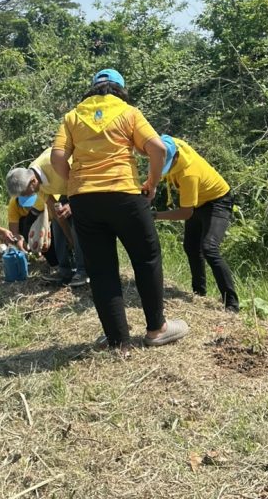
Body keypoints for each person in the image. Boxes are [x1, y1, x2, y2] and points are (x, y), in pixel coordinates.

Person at [51, 68, 189, 354]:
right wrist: (152, 183)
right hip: (125, 194)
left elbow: (57, 157)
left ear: (93, 89)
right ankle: (156, 329)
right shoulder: (129, 112)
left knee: (101, 270)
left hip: (85, 201)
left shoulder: (73, 116)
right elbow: (158, 149)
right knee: (147, 258)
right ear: (120, 89)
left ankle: (118, 342)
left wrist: (75, 183)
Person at [153, 135, 239, 312]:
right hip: (198, 201)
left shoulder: (188, 174)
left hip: (217, 201)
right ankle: (198, 292)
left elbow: (186, 212)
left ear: (175, 157)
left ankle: (231, 303)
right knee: (191, 246)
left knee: (209, 248)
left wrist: (155, 215)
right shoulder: (167, 144)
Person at [5, 148, 90, 288]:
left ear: (33, 182)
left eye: (25, 193)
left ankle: (83, 271)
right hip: (66, 192)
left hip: (85, 187)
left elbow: (84, 181)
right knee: (57, 226)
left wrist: (72, 205)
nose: (26, 197)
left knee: (76, 224)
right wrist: (69, 238)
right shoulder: (34, 182)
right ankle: (65, 271)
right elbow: (54, 211)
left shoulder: (54, 165)